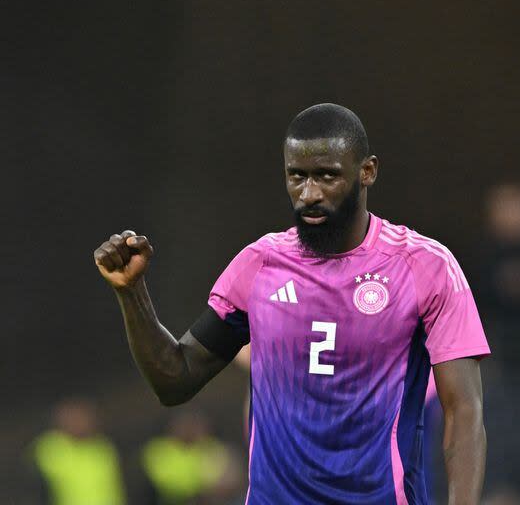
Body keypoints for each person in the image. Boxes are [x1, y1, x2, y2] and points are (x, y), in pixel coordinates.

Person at [93, 103, 490, 504]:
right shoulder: (259, 265)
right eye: (296, 176)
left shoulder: (426, 267)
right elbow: (175, 380)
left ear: (367, 171)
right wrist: (132, 292)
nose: (309, 194)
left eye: (327, 176)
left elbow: (464, 412)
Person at [30, 399, 126, 505]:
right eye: (74, 419)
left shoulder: (103, 447)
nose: (81, 423)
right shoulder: (53, 449)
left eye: (84, 418)